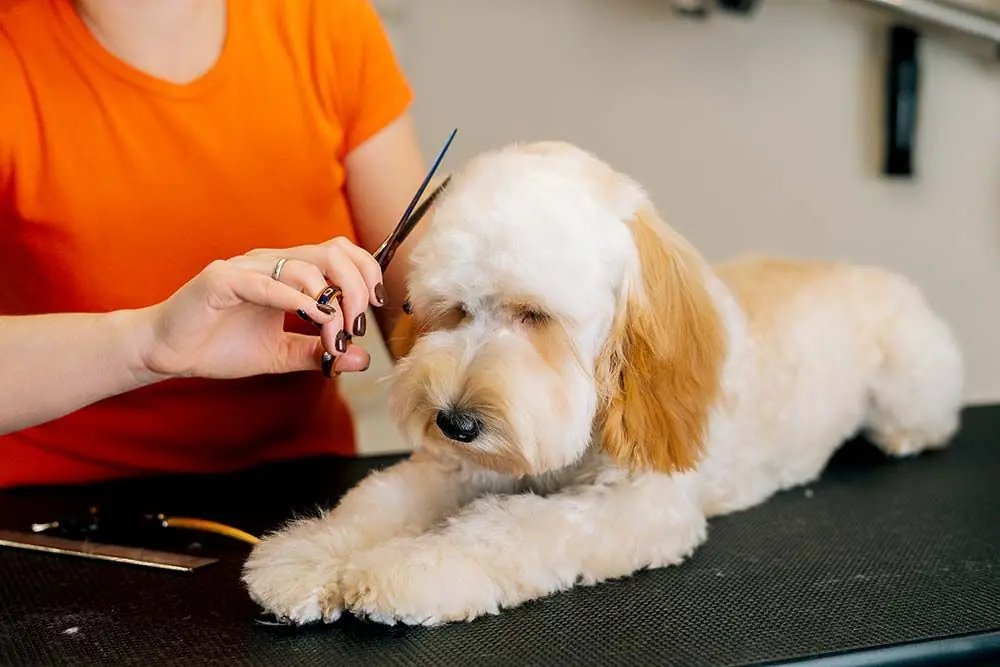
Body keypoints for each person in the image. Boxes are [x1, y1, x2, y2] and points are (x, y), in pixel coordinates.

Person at [0, 0, 430, 488]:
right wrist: (147, 343)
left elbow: (424, 317)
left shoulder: (326, 20)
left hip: (301, 492)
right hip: (53, 506)